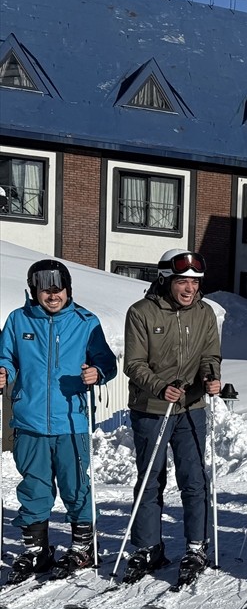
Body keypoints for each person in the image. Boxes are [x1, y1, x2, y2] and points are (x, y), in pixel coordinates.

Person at [0, 260, 117, 585]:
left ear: (68, 290)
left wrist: (98, 373)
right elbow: (6, 356)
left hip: (72, 421)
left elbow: (107, 362)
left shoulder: (85, 321)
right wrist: (4, 372)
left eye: (58, 289)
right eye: (45, 289)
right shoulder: (18, 319)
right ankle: (37, 550)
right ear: (34, 290)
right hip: (30, 420)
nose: (52, 295)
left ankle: (83, 546)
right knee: (33, 486)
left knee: (76, 484)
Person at [123, 249, 222, 585]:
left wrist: (210, 376)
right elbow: (133, 364)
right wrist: (160, 387)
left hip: (191, 408)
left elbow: (210, 354)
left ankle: (196, 546)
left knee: (194, 480)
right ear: (165, 279)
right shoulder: (141, 313)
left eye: (194, 282)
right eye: (182, 281)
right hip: (151, 409)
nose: (189, 288)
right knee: (150, 480)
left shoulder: (205, 313)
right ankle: (148, 546)